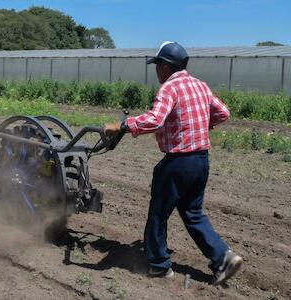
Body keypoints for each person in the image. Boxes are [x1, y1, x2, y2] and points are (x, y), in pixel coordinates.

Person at [104, 41, 242, 285]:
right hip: (201, 161)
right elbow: (223, 113)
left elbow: (156, 119)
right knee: (193, 213)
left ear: (166, 66)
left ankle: (158, 266)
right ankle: (223, 257)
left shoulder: (170, 88)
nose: (156, 70)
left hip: (179, 162)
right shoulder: (199, 85)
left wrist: (123, 126)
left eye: (157, 64)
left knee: (158, 213)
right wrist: (200, 124)